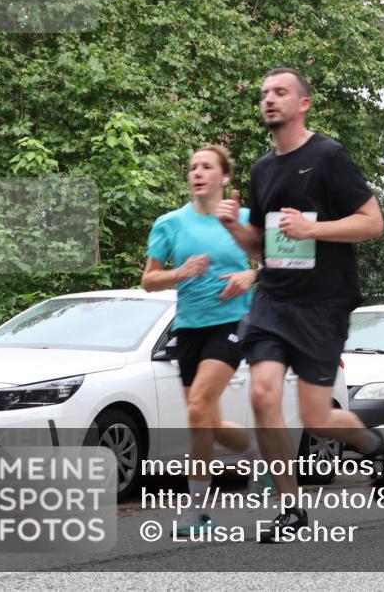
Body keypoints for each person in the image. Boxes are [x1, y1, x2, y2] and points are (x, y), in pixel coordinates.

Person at [217, 67, 384, 543]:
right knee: (262, 395)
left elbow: (372, 223)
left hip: (323, 303)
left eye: (280, 92)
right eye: (265, 94)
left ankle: (374, 443)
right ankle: (291, 508)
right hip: (274, 297)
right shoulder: (261, 169)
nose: (270, 100)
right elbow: (264, 246)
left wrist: (314, 229)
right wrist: (235, 227)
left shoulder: (329, 156)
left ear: (303, 103)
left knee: (317, 417)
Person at [142, 144, 259, 535]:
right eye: (192, 167)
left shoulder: (243, 218)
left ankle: (197, 513)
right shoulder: (170, 223)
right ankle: (261, 457)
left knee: (197, 408)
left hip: (233, 320)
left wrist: (251, 276)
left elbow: (282, 262)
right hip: (189, 327)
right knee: (204, 419)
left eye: (206, 166)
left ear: (224, 177)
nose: (197, 172)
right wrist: (181, 273)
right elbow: (148, 280)